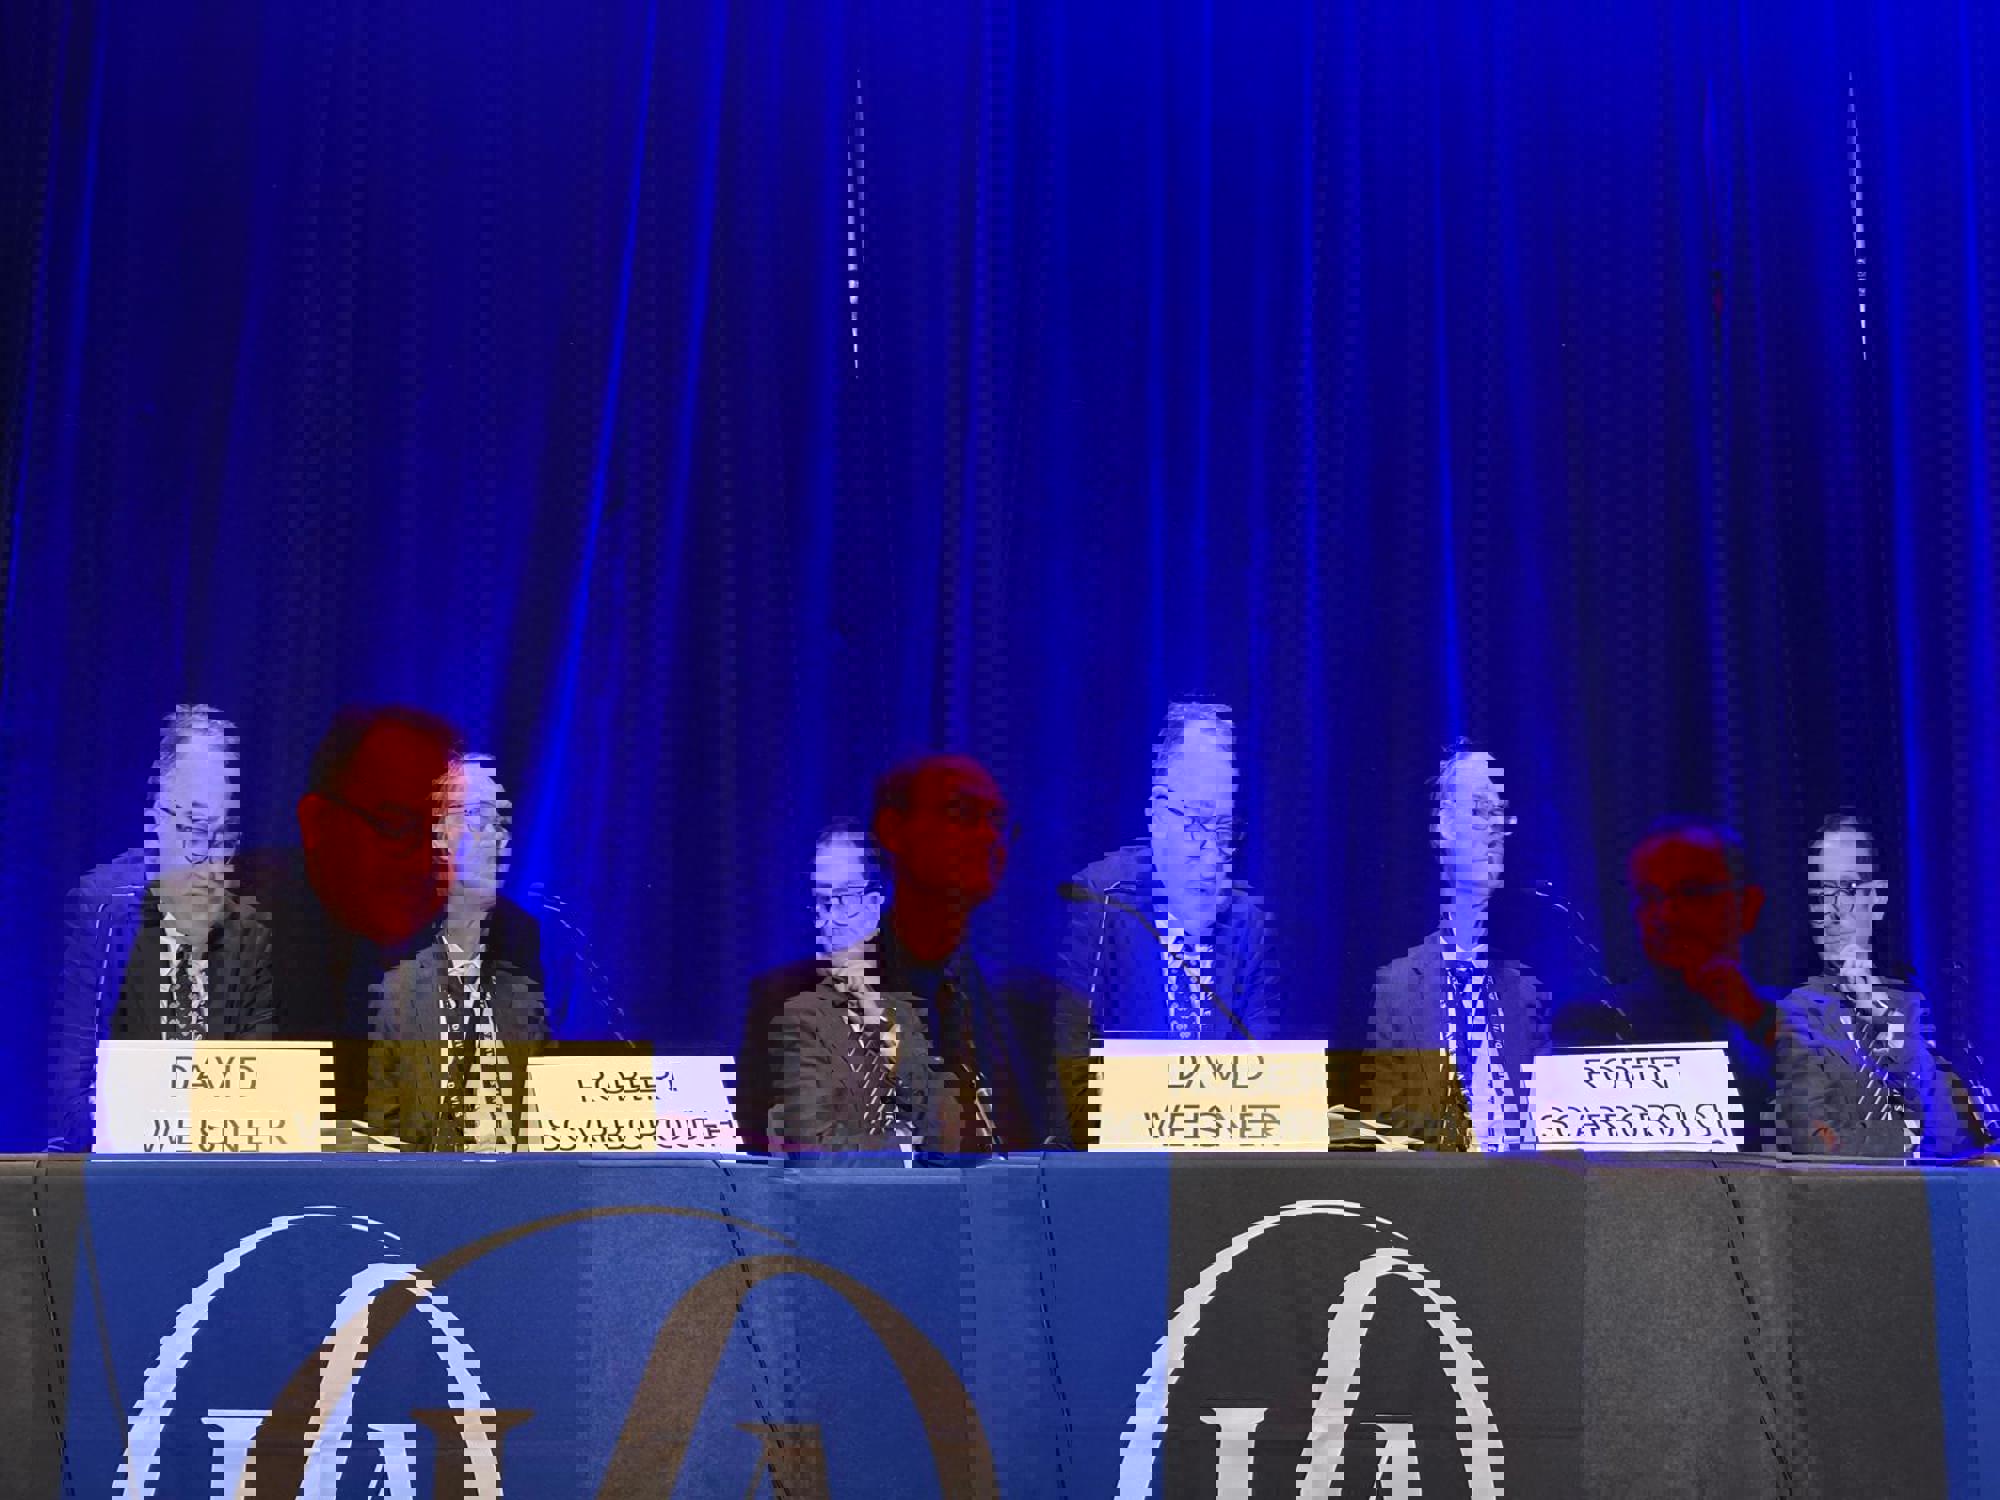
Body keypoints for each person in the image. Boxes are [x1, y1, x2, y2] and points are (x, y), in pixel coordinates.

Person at [752, 755, 1086, 1159]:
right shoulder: (795, 1000)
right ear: (892, 830)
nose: (988, 836)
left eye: (997, 821)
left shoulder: (1044, 1011)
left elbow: (1078, 1172)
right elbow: (776, 1173)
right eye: (962, 813)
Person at [252, 707, 545, 1147]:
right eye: (396, 825)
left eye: (446, 830)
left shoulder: (500, 936)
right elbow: (168, 1125)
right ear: (318, 824)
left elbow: (518, 1131)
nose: (427, 859)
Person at [52, 706, 271, 1149]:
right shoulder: (103, 910)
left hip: (210, 1166)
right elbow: (70, 1097)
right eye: (192, 828)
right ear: (154, 815)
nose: (207, 855)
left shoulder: (248, 929)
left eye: (223, 834)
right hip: (113, 1159)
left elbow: (258, 1090)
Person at [1061, 702, 1279, 1040]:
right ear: (1160, 816)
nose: (1212, 854)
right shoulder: (1101, 901)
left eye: (1224, 829)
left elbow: (1265, 1061)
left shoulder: (1244, 920)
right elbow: (1071, 1053)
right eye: (1196, 822)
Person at [1371, 746, 1550, 1151]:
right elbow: (1387, 1134)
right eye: (1480, 810)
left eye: (1499, 814)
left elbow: (1550, 1129)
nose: (1495, 828)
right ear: (1446, 827)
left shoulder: (1527, 993)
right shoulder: (1397, 988)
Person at [1778, 814, 1974, 1158]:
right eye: (1822, 891)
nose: (1832, 909)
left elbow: (1957, 1138)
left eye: (1849, 889)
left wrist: (1888, 1024)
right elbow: (1816, 1146)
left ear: (1877, 897)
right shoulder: (1797, 1013)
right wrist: (1910, 1142)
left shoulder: (1915, 1002)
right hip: (1857, 1190)